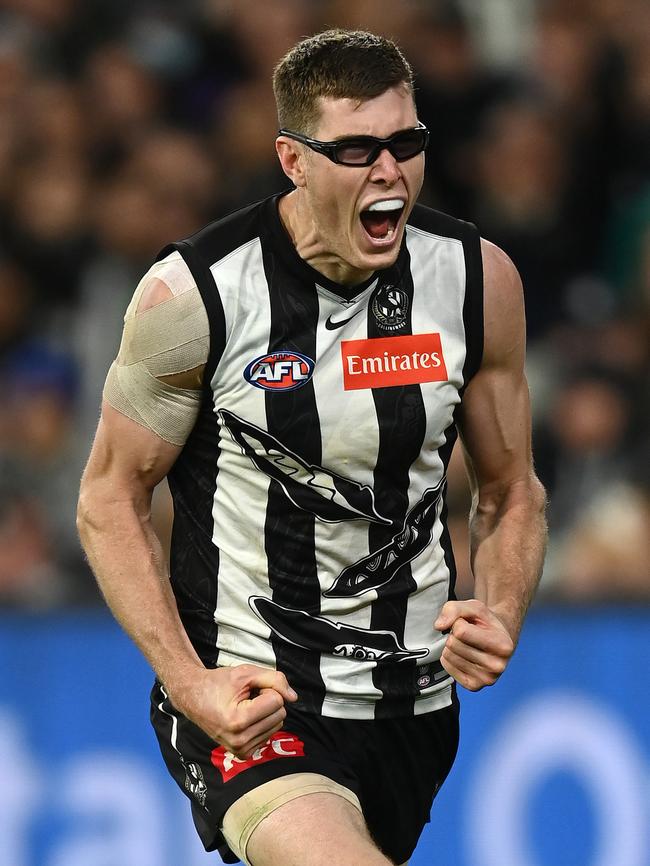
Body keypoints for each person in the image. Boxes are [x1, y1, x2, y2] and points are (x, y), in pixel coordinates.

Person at [77, 29, 547, 866]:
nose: (389, 171)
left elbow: (512, 491)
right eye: (357, 149)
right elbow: (108, 499)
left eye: (407, 143)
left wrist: (500, 607)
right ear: (293, 162)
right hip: (256, 699)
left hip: (413, 709)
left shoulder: (477, 281)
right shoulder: (195, 297)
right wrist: (192, 685)